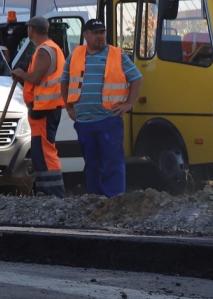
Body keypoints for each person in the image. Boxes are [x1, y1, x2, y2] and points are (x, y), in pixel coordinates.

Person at [61, 19, 143, 197]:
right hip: (84, 121)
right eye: (96, 32)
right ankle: (95, 200)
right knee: (91, 163)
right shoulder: (75, 55)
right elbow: (64, 81)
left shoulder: (116, 54)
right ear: (86, 35)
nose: (100, 36)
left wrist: (129, 103)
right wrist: (69, 108)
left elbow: (136, 77)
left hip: (108, 119)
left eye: (102, 32)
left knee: (111, 162)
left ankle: (113, 201)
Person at [9, 17, 66, 198]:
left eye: (29, 29)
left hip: (45, 109)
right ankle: (45, 193)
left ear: (32, 30)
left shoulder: (44, 51)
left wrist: (20, 73)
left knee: (45, 153)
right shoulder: (51, 49)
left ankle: (54, 194)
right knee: (41, 154)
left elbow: (34, 79)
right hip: (44, 109)